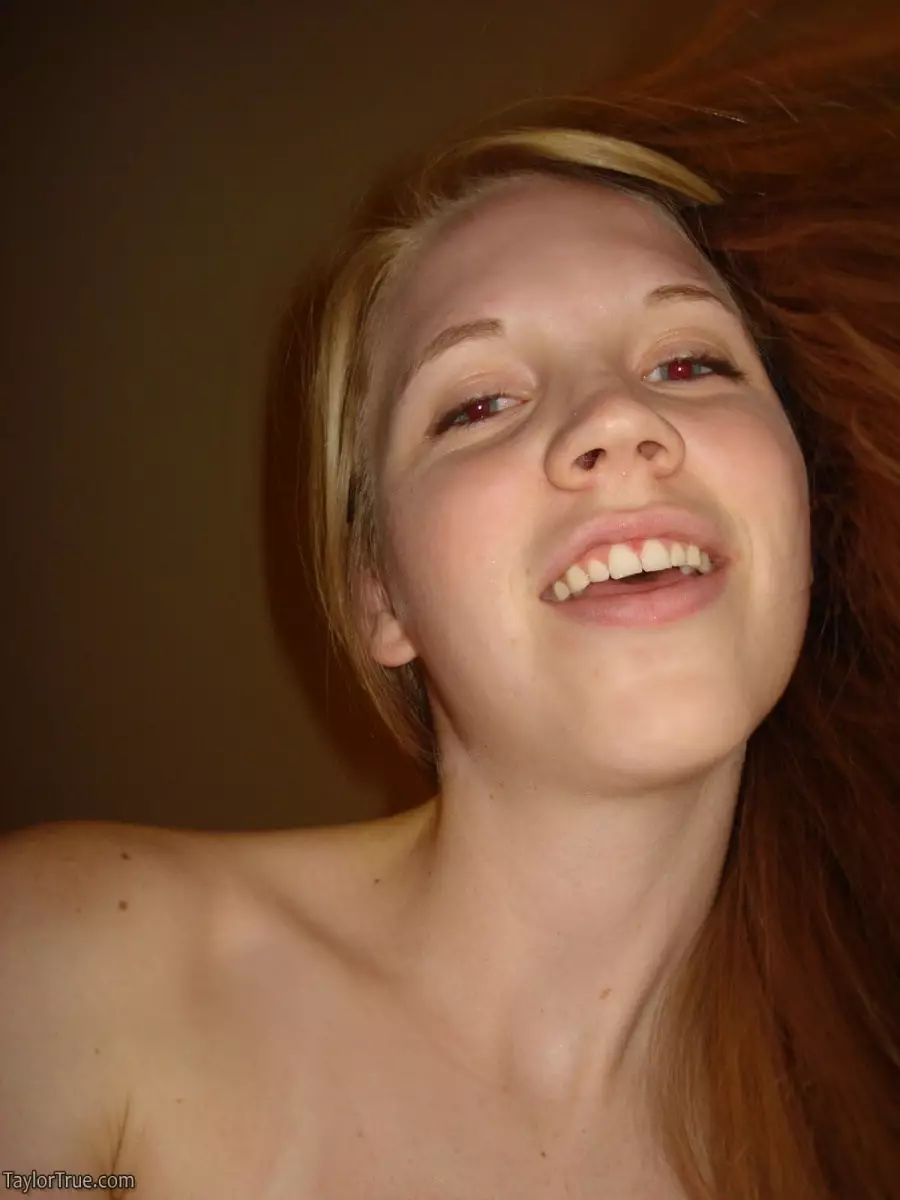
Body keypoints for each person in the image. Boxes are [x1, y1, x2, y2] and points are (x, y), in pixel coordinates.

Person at [2, 3, 898, 1197]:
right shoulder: (71, 973)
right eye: (478, 403)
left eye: (691, 362)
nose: (617, 419)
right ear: (383, 595)